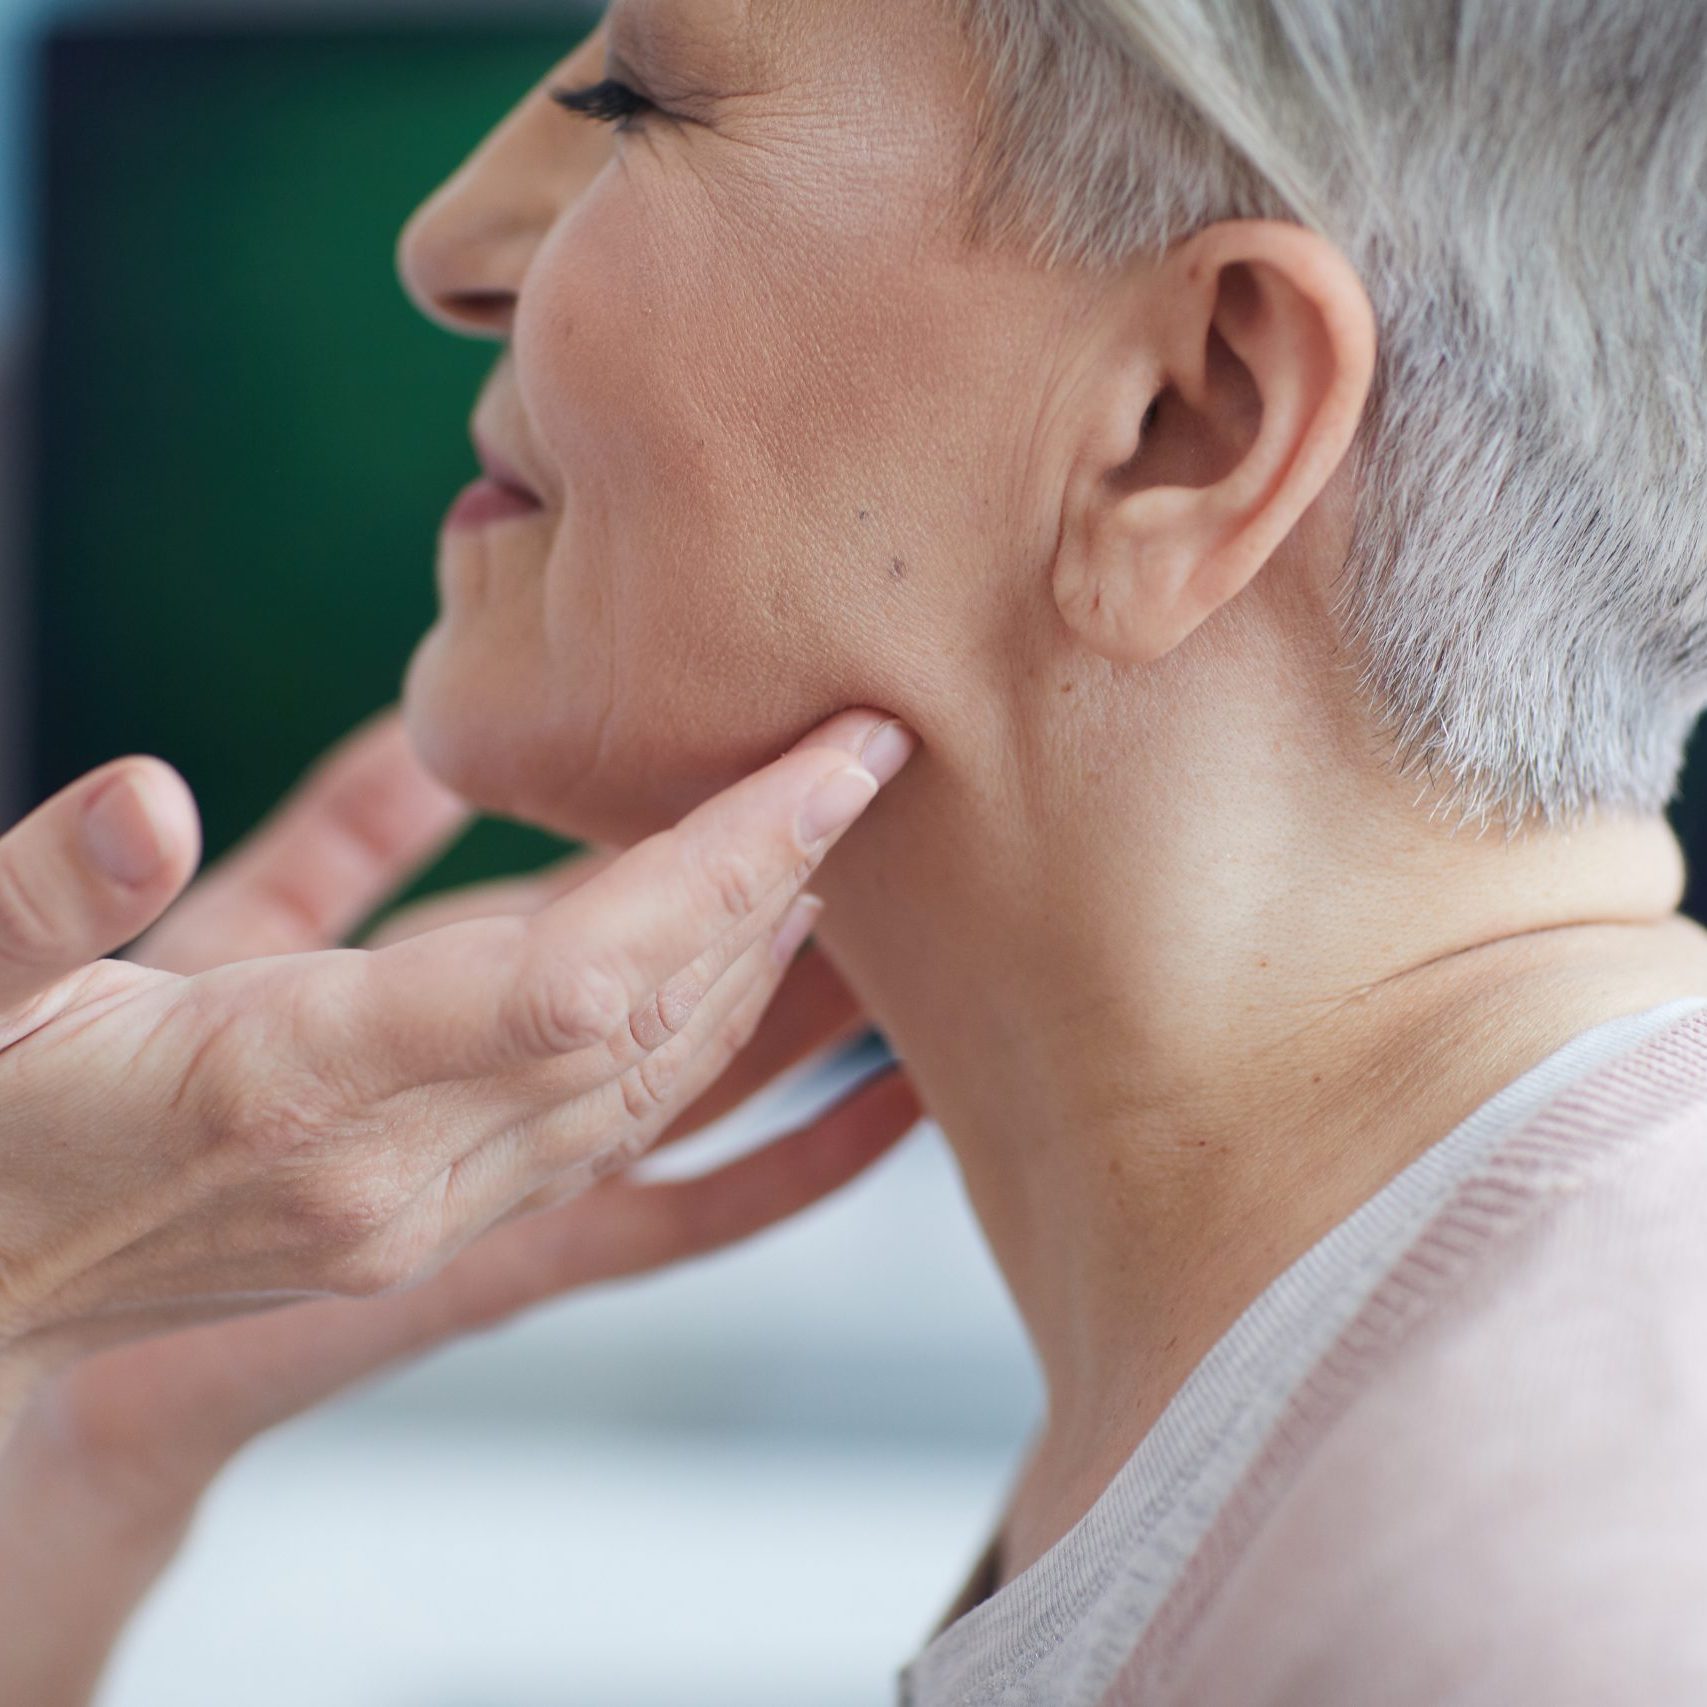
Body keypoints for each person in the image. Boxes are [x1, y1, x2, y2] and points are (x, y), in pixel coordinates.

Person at [13, 0, 1707, 1701]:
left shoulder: (1557, 1599)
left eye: (636, 99)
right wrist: (68, 1438)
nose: (448, 244)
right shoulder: (1398, 1428)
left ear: (1183, 420)